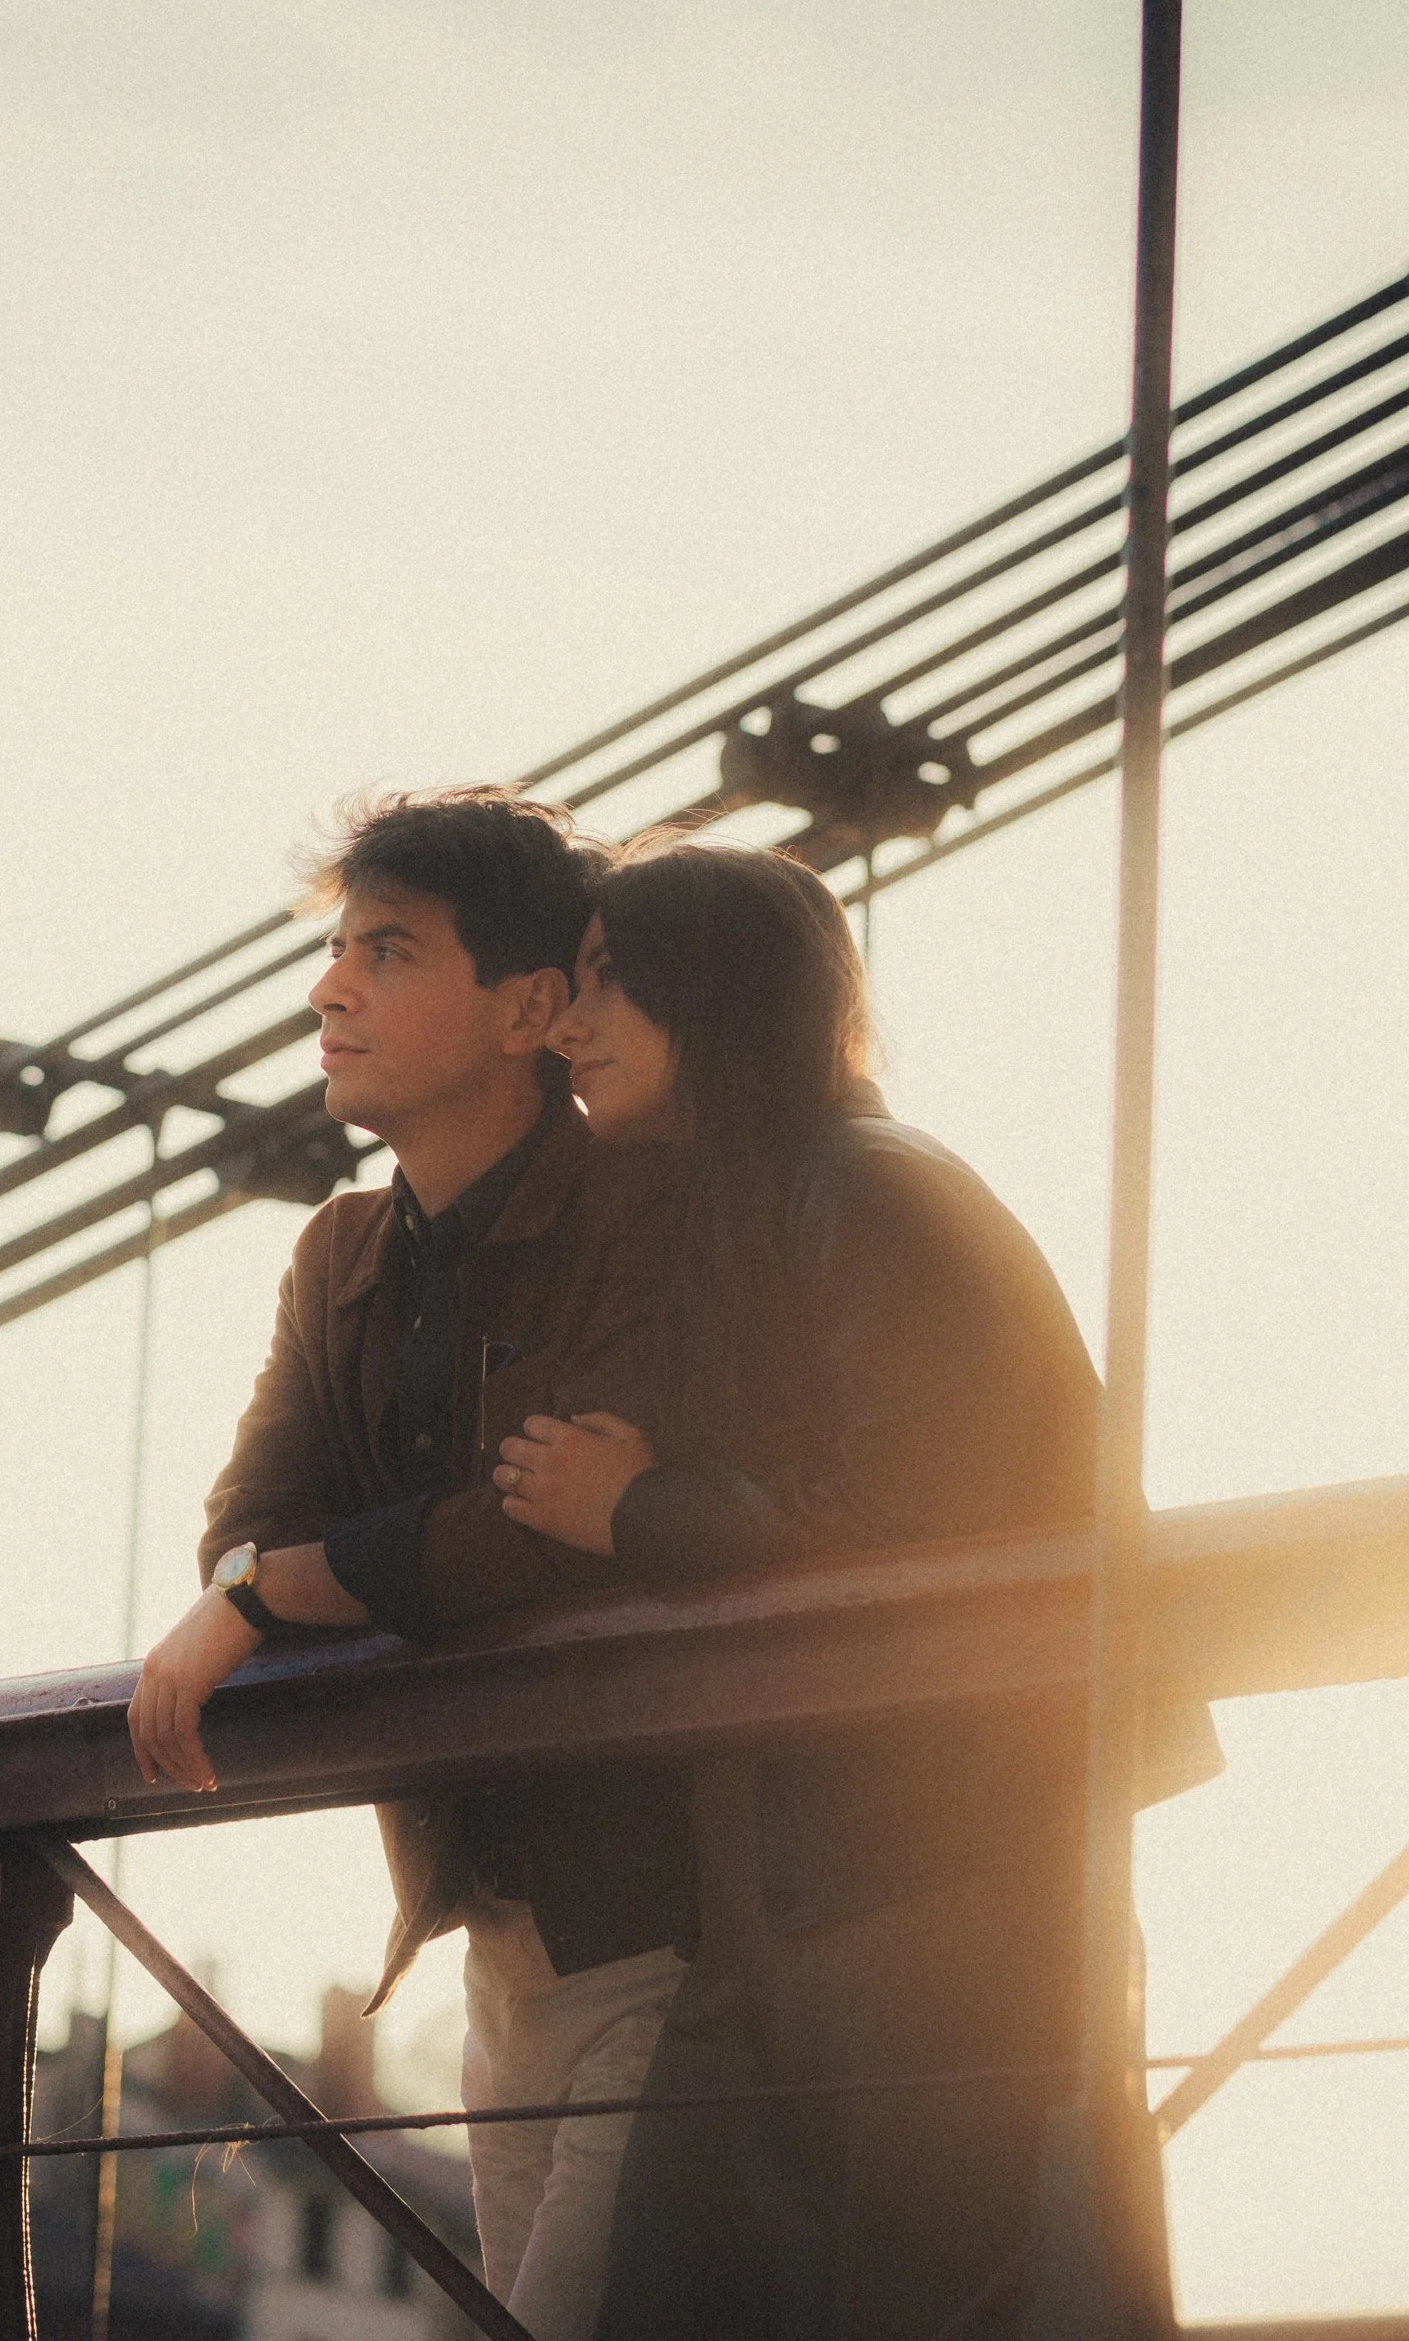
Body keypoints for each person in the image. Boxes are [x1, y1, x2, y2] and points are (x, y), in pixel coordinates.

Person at [493, 836, 1217, 2341]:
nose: (569, 1024)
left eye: (614, 981)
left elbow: (912, 1525)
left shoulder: (874, 1188)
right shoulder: (770, 1202)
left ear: (726, 995)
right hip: (818, 1891)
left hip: (945, 1886)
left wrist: (634, 1511)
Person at [128, 789, 697, 2341]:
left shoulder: (646, 1213)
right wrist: (265, 1574)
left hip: (679, 1927)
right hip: (494, 1942)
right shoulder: (341, 1255)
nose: (331, 991)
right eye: (336, 950)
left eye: (388, 951)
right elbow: (239, 1522)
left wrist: (263, 1599)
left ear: (530, 1008)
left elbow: (544, 1543)